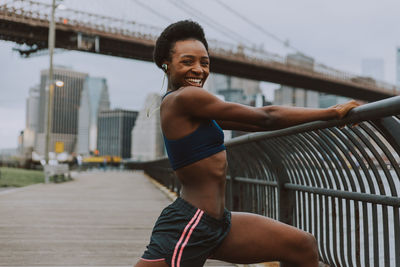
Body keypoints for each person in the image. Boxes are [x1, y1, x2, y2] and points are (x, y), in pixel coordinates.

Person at [135, 20, 360, 267]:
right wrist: (332, 113)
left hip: (218, 224)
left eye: (205, 62)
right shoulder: (186, 98)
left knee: (302, 245)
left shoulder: (190, 104)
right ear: (166, 65)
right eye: (187, 61)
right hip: (191, 225)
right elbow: (265, 117)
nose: (198, 70)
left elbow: (253, 124)